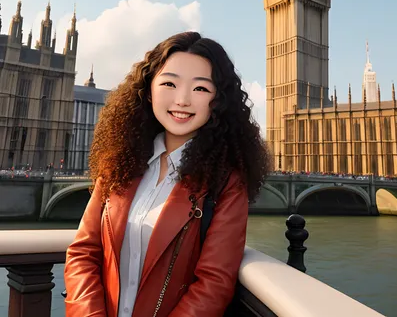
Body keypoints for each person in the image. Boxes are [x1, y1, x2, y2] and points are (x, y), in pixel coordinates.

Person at [64, 32, 270, 317]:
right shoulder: (119, 166)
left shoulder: (226, 183)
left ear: (218, 101)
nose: (182, 100)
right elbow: (83, 253)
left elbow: (213, 284)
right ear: (149, 91)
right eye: (170, 84)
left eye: (200, 89)